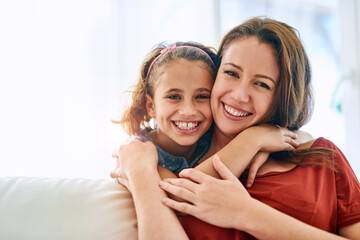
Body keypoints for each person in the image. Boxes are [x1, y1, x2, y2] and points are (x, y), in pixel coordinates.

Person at [114, 17, 360, 239]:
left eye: (262, 84)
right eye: (231, 73)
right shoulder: (167, 172)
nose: (239, 95)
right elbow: (178, 191)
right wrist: (254, 138)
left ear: (283, 96)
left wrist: (247, 213)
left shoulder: (322, 159)